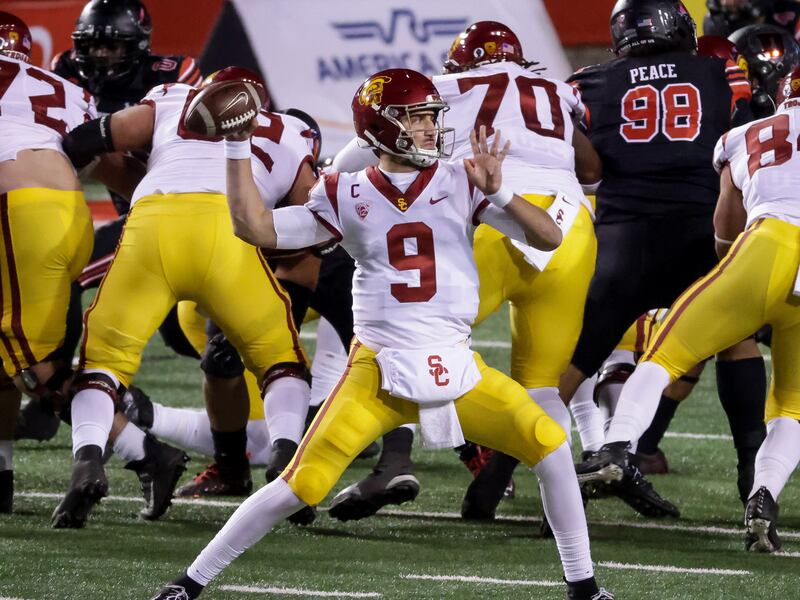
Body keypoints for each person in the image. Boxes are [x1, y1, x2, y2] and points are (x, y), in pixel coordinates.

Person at [151, 68, 613, 600]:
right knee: (298, 487)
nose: (430, 130)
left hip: (456, 368)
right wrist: (236, 147)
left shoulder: (463, 179)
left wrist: (502, 190)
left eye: (431, 118)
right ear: (383, 128)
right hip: (378, 373)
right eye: (417, 119)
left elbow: (549, 237)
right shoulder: (343, 192)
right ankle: (188, 582)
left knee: (551, 449)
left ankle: (584, 588)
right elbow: (255, 228)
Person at [325, 20, 603, 523]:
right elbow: (591, 168)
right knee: (541, 382)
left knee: (406, 333)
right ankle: (553, 502)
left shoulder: (445, 89)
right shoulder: (557, 89)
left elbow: (354, 156)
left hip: (495, 212)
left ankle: (393, 461)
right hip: (565, 224)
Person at [50, 68, 312, 529]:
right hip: (230, 232)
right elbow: (310, 212)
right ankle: (287, 462)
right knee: (280, 362)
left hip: (154, 219)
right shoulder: (289, 129)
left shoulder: (173, 98)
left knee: (102, 366)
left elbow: (102, 135)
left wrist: (70, 154)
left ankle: (87, 462)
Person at [578, 66, 800, 553]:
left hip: (770, 244)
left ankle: (617, 447)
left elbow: (725, 229)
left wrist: (738, 289)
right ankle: (763, 495)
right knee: (791, 406)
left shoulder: (746, 135)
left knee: (664, 354)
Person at [559, 0, 764, 515]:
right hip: (698, 233)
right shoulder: (720, 70)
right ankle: (751, 475)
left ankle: (493, 481)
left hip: (622, 239)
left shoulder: (587, 82)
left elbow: (585, 167)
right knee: (735, 340)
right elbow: (738, 142)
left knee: (576, 361)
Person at [0, 11, 97, 514]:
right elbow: (92, 152)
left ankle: (143, 445)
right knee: (10, 355)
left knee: (30, 364)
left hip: (22, 218)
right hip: (66, 214)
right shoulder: (63, 88)